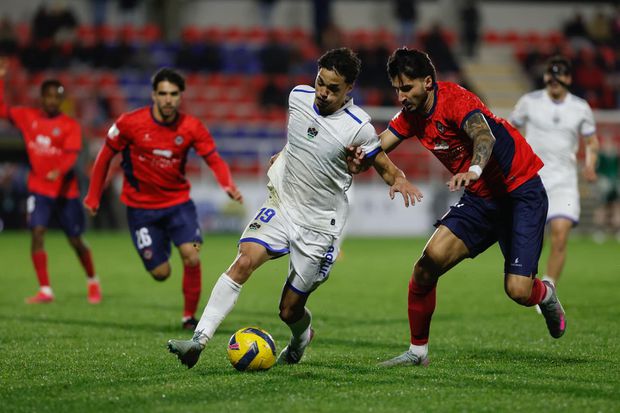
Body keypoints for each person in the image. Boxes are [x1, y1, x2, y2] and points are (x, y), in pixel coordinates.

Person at [167, 47, 423, 369]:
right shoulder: (298, 97)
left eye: (333, 88)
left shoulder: (358, 127)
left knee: (289, 310)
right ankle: (199, 340)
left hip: (319, 225)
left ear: (349, 89)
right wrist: (285, 154)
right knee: (244, 261)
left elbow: (381, 163)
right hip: (282, 204)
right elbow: (301, 137)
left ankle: (301, 337)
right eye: (320, 83)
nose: (323, 92)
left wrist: (398, 179)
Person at [349, 48, 567, 367]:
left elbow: (484, 137)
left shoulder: (455, 99)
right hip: (480, 199)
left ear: (427, 82)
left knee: (519, 291)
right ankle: (417, 352)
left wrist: (474, 170)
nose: (400, 96)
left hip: (519, 192)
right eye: (396, 89)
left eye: (406, 88)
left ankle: (545, 294)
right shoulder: (411, 115)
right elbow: (378, 145)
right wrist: (361, 158)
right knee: (426, 266)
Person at [83, 68, 243, 330]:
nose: (168, 99)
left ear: (181, 96)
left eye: (173, 94)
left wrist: (227, 183)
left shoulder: (191, 127)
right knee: (161, 273)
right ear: (154, 95)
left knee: (192, 255)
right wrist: (93, 194)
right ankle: (162, 246)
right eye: (163, 94)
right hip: (141, 210)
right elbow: (104, 156)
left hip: (179, 206)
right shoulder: (129, 123)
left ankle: (189, 318)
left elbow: (213, 158)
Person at [0, 57, 101, 304]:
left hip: (66, 192)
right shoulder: (28, 117)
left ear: (62, 100)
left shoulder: (69, 125)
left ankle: (92, 280)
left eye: (57, 97)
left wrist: (60, 170)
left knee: (75, 241)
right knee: (37, 233)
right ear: (41, 98)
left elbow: (71, 156)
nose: (53, 101)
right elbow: (2, 110)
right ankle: (45, 289)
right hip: (39, 189)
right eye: (49, 96)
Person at [509, 55, 599, 293]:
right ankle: (529, 284)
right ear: (545, 76)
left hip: (564, 183)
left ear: (568, 78)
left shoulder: (580, 107)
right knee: (532, 239)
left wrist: (590, 165)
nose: (554, 79)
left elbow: (591, 142)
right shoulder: (529, 101)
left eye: (560, 74)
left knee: (559, 235)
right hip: (532, 179)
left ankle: (548, 289)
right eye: (551, 74)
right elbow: (510, 129)